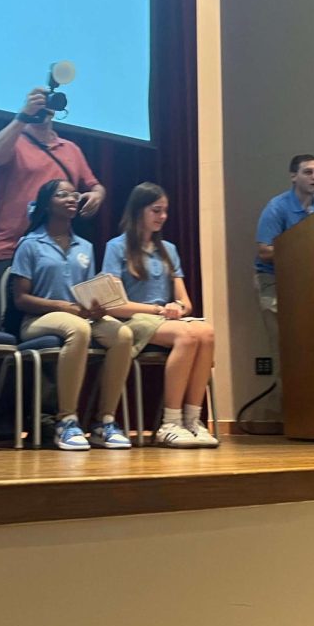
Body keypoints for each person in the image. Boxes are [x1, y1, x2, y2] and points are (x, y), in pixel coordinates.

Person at [10, 179, 133, 451]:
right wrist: (63, 307)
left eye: (75, 195)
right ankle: (66, 420)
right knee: (79, 330)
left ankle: (105, 422)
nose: (71, 199)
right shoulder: (30, 244)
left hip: (80, 315)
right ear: (47, 204)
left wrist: (97, 306)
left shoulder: (85, 246)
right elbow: (20, 299)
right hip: (38, 321)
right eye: (62, 195)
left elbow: (86, 292)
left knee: (123, 334)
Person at [103, 183, 217, 448]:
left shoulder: (169, 249)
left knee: (207, 332)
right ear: (138, 210)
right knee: (187, 337)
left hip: (165, 318)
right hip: (135, 317)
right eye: (156, 210)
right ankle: (170, 422)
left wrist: (178, 308)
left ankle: (193, 419)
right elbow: (114, 305)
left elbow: (185, 302)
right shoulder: (116, 247)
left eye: (165, 211)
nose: (162, 216)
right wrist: (158, 309)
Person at [0, 87, 106, 326]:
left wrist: (97, 195)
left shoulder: (70, 149)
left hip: (61, 252)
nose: (44, 110)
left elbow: (95, 185)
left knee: (70, 324)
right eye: (38, 105)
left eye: (48, 106)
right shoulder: (16, 140)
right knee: (11, 328)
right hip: (13, 245)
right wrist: (23, 115)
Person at [255, 155, 314, 342]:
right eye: (308, 172)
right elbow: (264, 251)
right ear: (294, 176)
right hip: (274, 281)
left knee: (311, 343)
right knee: (284, 345)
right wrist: (298, 247)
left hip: (309, 280)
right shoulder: (277, 207)